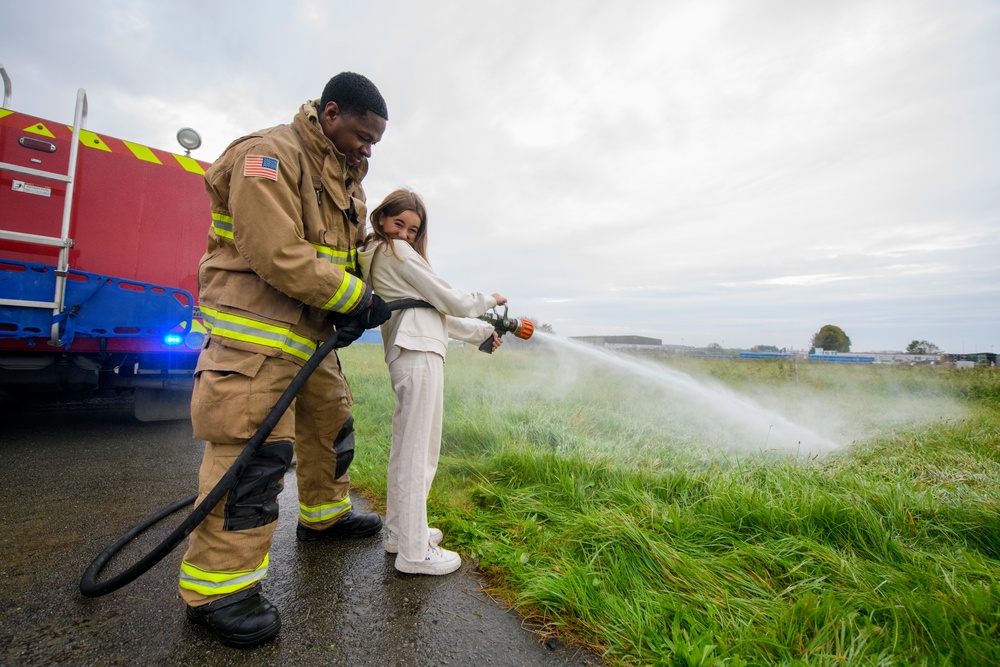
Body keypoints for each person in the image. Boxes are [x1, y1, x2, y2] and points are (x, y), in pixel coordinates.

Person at [179, 72, 393, 649]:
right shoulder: (268, 156)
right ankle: (218, 589)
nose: (367, 149)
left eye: (375, 141)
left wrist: (355, 299)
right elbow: (278, 251)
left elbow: (337, 258)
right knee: (250, 454)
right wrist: (354, 300)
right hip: (257, 336)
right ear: (329, 113)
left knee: (331, 426)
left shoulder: (345, 180)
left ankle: (324, 516)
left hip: (308, 335)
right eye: (362, 134)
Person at [358, 188, 505, 575]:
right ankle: (414, 552)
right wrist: (487, 300)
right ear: (382, 218)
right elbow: (450, 300)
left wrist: (479, 335)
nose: (405, 233)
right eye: (399, 223)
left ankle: (401, 533)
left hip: (407, 351)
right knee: (419, 454)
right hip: (419, 353)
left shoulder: (376, 254)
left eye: (413, 229)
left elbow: (433, 310)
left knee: (407, 448)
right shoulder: (397, 251)